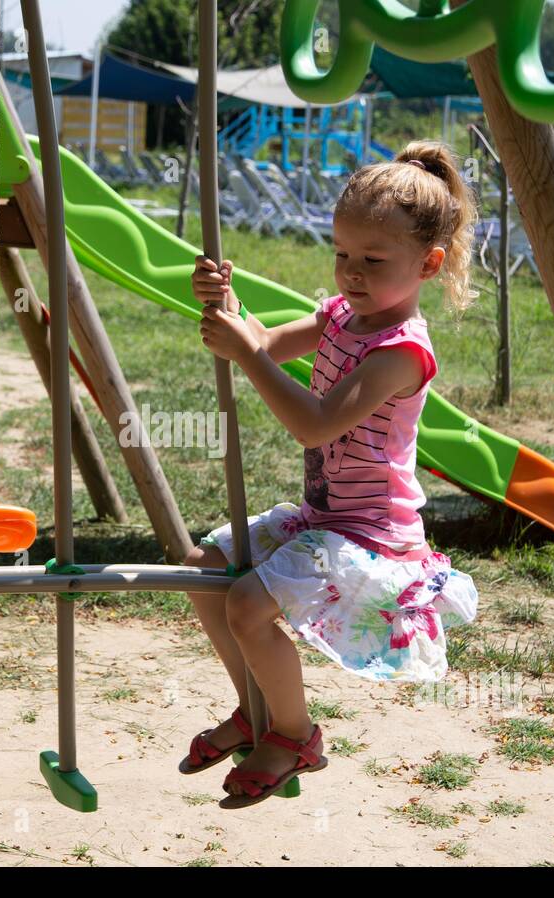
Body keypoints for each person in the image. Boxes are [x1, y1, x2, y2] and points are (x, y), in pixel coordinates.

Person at [182, 142, 480, 809]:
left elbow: (316, 424)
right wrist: (226, 302)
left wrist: (247, 354)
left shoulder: (403, 353)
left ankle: (294, 736)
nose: (350, 273)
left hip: (373, 533)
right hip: (326, 516)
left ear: (428, 264)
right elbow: (263, 342)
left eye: (373, 260)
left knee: (248, 604)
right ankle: (252, 708)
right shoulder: (342, 315)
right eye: (342, 254)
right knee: (206, 568)